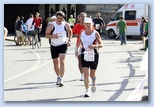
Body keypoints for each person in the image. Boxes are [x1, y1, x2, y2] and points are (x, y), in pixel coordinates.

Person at [75, 17, 103, 97]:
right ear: (84, 25)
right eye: (86, 24)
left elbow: (101, 44)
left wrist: (94, 46)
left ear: (92, 25)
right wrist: (77, 50)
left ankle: (93, 82)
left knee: (92, 74)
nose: (88, 25)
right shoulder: (82, 33)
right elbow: (79, 43)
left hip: (94, 54)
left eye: (89, 24)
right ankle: (87, 90)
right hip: (85, 54)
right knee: (86, 73)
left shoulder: (95, 33)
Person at [46, 11, 72, 87]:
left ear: (63, 18)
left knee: (62, 61)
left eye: (61, 18)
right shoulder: (51, 25)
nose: (59, 20)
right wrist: (53, 36)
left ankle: (61, 78)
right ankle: (58, 76)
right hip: (54, 45)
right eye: (58, 18)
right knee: (55, 63)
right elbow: (47, 35)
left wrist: (69, 40)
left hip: (63, 44)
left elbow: (70, 31)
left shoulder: (66, 25)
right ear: (56, 18)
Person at [73, 12, 87, 81]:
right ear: (79, 18)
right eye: (81, 16)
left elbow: (94, 34)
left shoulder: (88, 25)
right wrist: (78, 35)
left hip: (87, 45)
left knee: (87, 60)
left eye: (84, 16)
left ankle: (86, 73)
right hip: (78, 45)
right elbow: (73, 34)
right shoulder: (76, 26)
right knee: (80, 60)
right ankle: (82, 74)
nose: (82, 18)